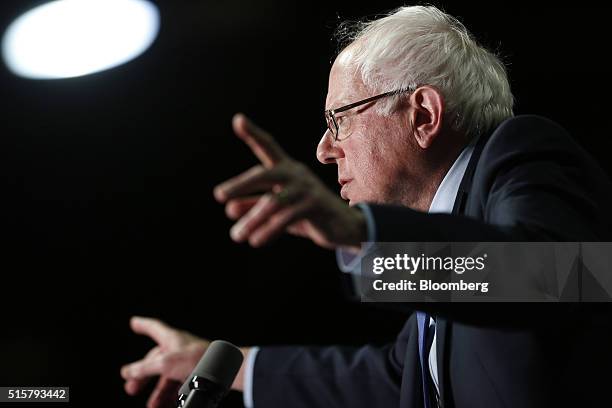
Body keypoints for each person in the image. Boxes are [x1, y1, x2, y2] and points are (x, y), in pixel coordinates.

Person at [120, 5, 612, 408]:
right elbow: (384, 378)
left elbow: (557, 278)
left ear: (422, 115)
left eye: (340, 119)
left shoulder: (520, 150)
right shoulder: (442, 287)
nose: (324, 149)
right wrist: (220, 363)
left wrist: (362, 230)